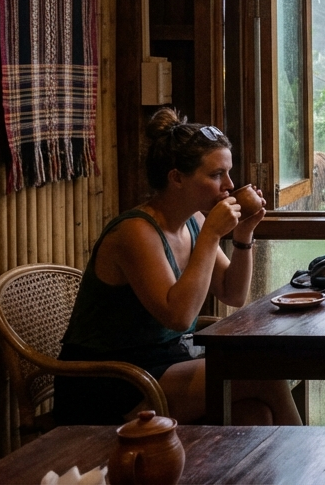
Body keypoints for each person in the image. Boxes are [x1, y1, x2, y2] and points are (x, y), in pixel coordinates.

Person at [55, 108, 301, 426]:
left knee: (255, 415)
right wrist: (212, 234)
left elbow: (233, 293)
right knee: (264, 375)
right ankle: (320, 476)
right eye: (216, 175)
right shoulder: (136, 232)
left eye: (228, 173)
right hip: (112, 382)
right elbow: (179, 317)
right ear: (177, 178)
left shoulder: (195, 220)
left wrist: (243, 236)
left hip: (166, 365)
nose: (229, 184)